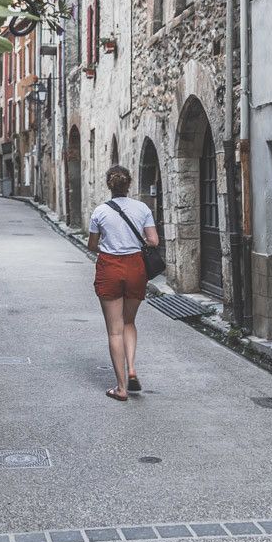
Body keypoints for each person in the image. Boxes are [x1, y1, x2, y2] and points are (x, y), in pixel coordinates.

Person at [87, 165, 160, 402]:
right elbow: (154, 241)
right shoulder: (142, 208)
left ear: (109, 185)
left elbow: (92, 245)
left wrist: (110, 247)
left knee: (114, 330)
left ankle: (120, 388)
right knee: (129, 322)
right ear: (129, 184)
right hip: (135, 267)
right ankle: (131, 370)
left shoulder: (99, 212)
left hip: (109, 266)